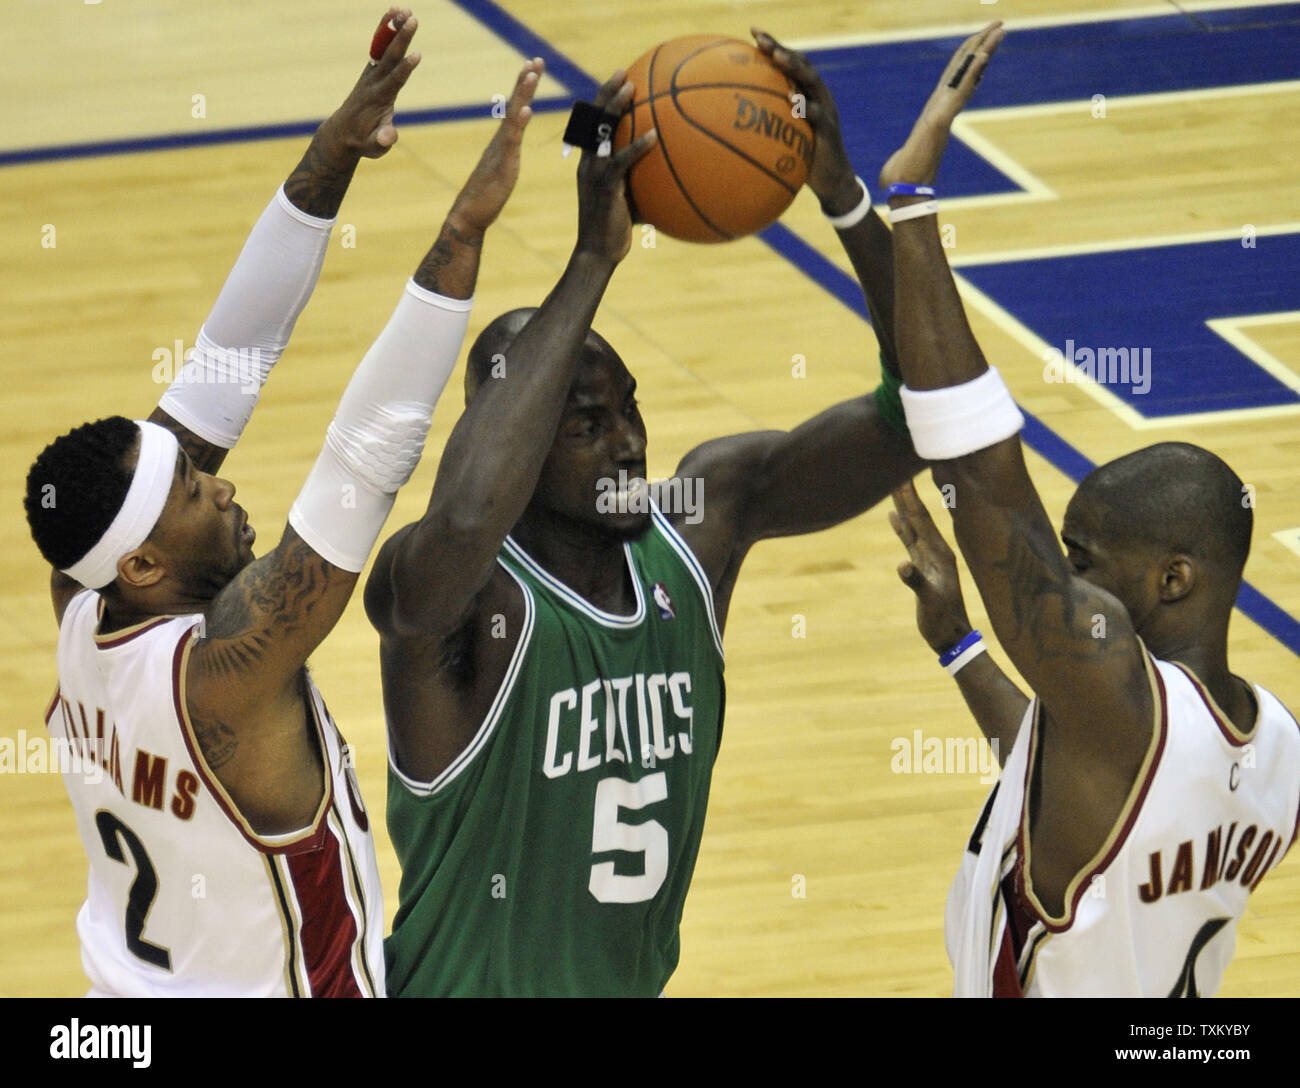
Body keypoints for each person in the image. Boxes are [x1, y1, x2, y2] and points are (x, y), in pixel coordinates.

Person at [367, 33, 926, 997]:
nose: (630, 442)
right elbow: (462, 521)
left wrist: (843, 195)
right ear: (515, 438)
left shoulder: (698, 525)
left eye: (630, 407)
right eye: (586, 423)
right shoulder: (452, 596)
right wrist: (593, 259)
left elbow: (927, 409)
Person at [23, 10, 542, 996]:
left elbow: (225, 360)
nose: (220, 479)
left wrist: (328, 157)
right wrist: (460, 239)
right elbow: (362, 459)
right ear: (141, 563)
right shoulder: (224, 671)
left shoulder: (83, 601)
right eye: (190, 491)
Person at [883, 22, 1300, 997]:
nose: (1062, 576)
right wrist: (959, 647)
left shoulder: (1120, 703)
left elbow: (990, 481)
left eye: (1082, 556)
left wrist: (907, 206)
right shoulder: (1276, 751)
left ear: (1171, 577)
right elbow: (1074, 780)